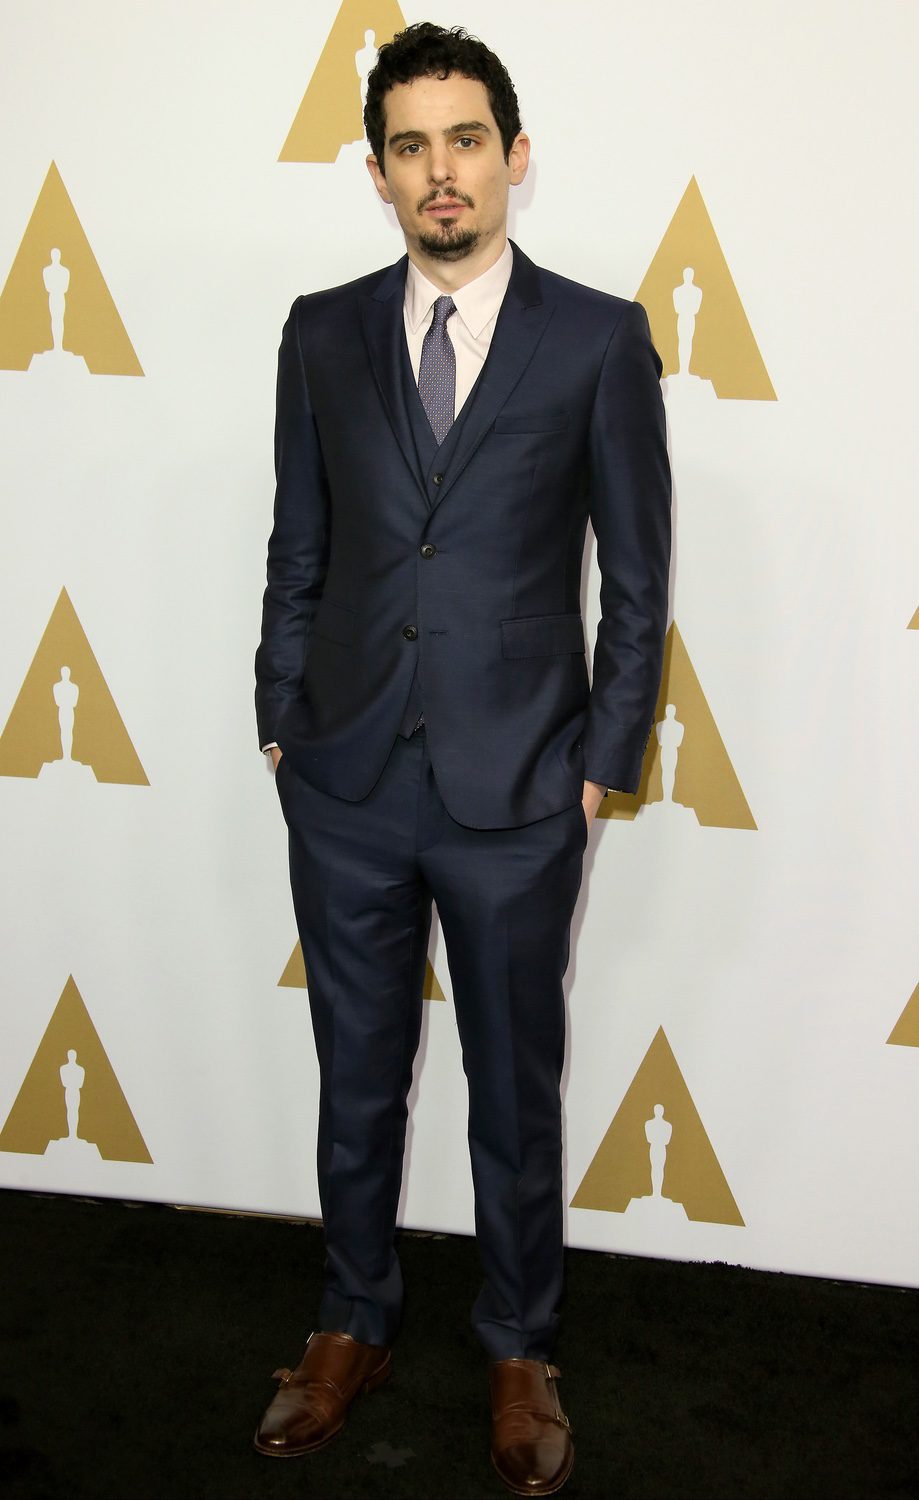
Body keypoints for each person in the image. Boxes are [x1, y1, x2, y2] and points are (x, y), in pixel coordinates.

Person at [253, 22, 671, 1496]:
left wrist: (602, 760)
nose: (444, 171)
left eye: (468, 140)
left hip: (519, 793)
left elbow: (638, 576)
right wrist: (279, 715)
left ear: (514, 157)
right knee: (355, 1077)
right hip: (348, 783)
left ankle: (517, 1347)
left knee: (514, 1085)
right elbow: (301, 544)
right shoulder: (319, 330)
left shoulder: (599, 338)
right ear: (379, 173)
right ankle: (350, 1322)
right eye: (413, 146)